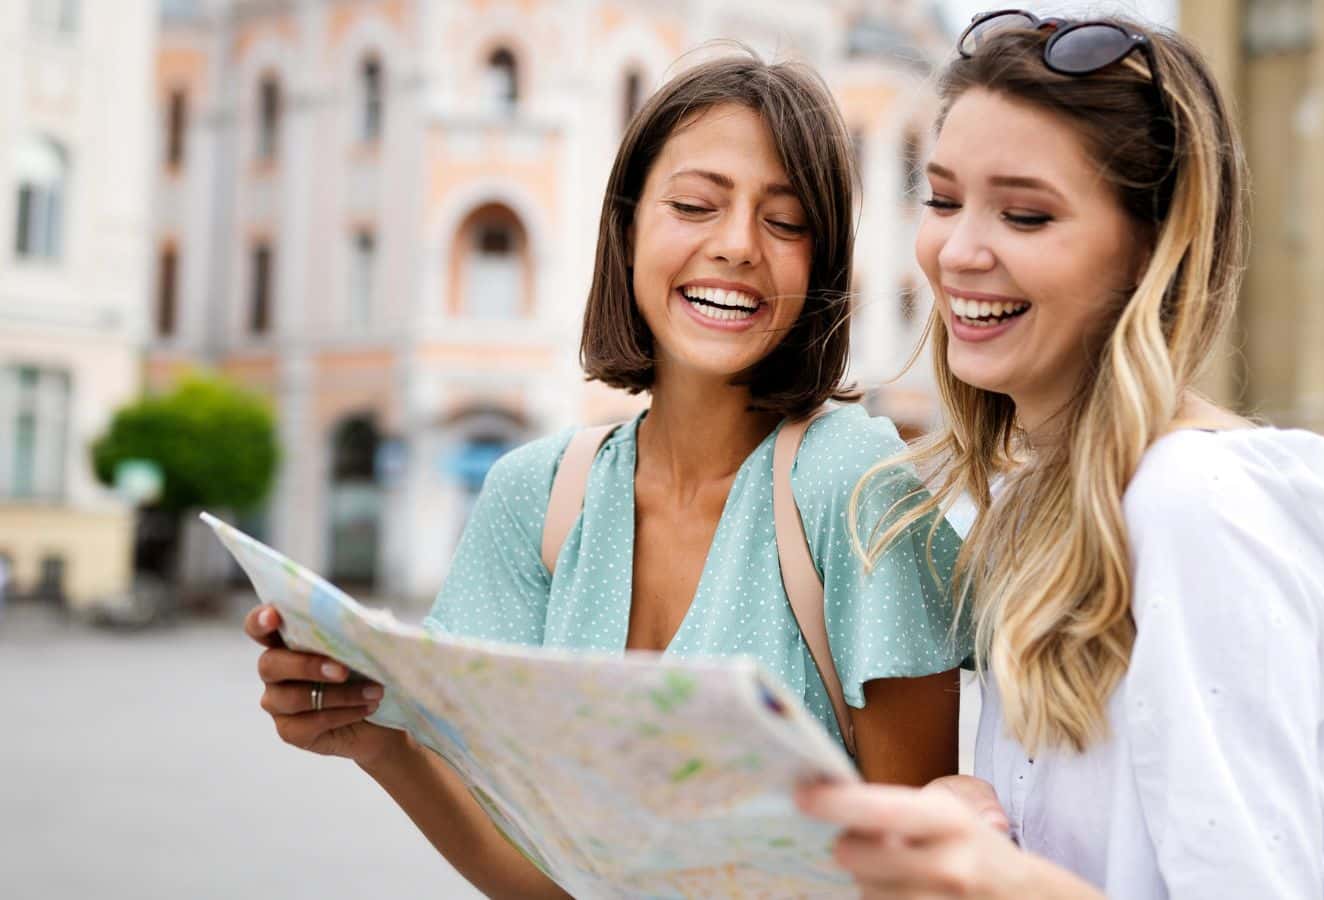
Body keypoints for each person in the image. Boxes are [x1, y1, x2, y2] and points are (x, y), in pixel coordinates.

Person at [244, 52, 969, 898]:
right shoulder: (534, 496)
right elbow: (550, 883)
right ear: (626, 229)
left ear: (821, 269)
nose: (736, 246)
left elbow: (924, 877)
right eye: (696, 205)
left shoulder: (859, 484)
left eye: (786, 221)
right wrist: (374, 738)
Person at [800, 12, 1324, 898]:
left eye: (1027, 214)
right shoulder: (1044, 495)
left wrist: (995, 879)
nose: (959, 252)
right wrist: (982, 824)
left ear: (1149, 249)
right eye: (945, 199)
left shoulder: (1195, 504)